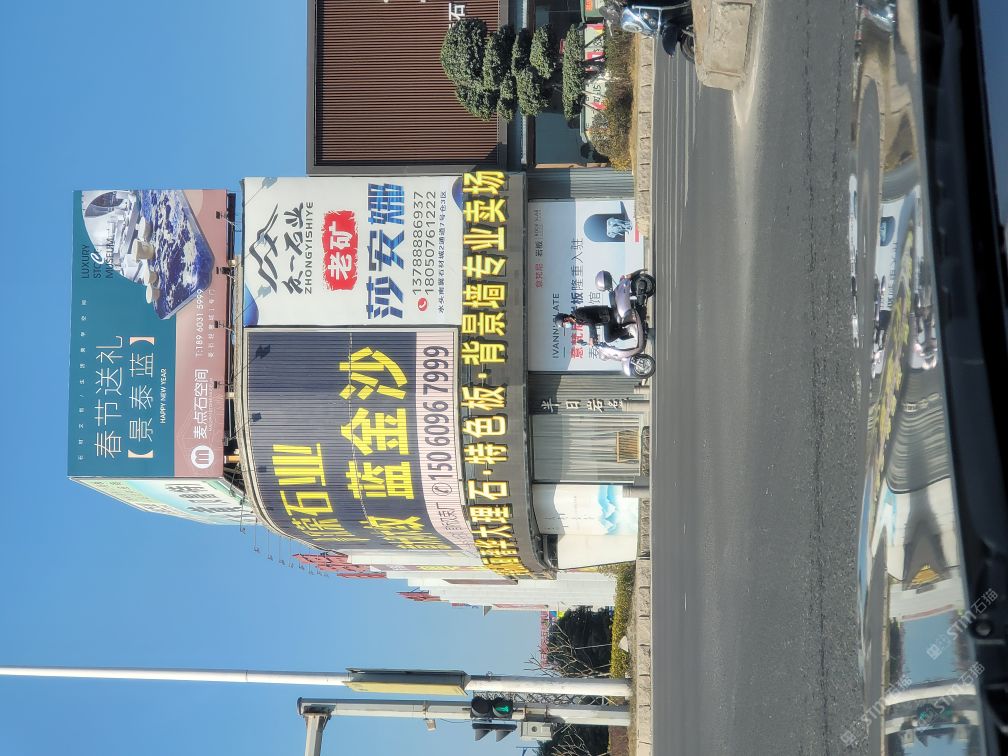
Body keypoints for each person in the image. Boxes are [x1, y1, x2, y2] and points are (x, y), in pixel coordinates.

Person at [554, 307, 631, 345]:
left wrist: (592, 337)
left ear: (565, 319)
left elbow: (591, 321)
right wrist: (595, 339)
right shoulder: (577, 321)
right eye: (564, 326)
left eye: (564, 324)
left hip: (607, 315)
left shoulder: (577, 313)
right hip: (605, 320)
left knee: (608, 338)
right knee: (621, 336)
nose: (566, 326)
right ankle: (631, 329)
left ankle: (629, 329)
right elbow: (591, 324)